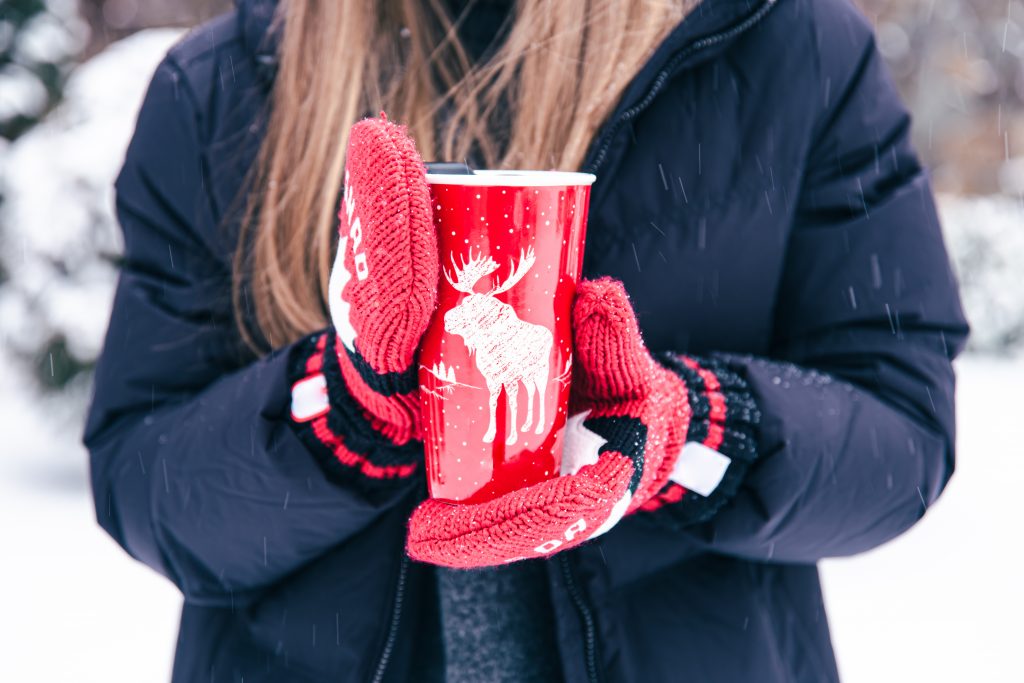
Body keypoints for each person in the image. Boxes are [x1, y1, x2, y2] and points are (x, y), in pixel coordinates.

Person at [85, 0, 968, 681]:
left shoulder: (785, 49)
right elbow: (142, 476)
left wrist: (691, 429)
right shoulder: (224, 86)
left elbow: (901, 431)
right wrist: (340, 410)